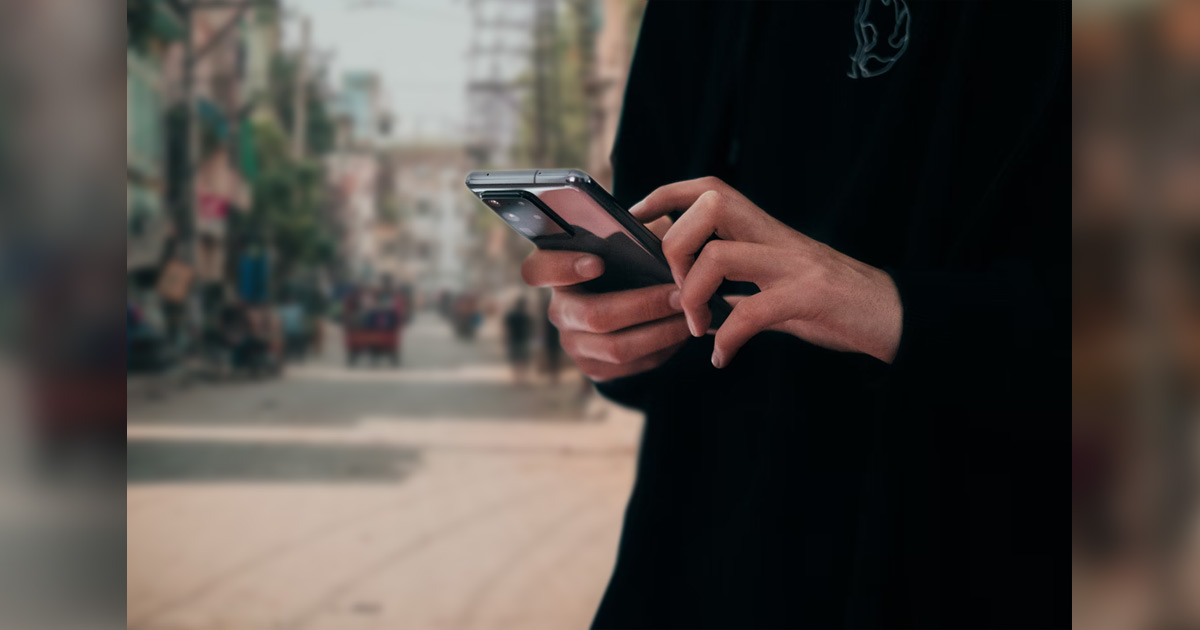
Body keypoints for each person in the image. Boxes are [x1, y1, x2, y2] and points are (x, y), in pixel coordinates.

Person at [521, 3, 1068, 628]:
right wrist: (615, 329)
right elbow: (661, 242)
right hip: (705, 552)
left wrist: (892, 311)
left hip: (976, 554)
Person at [503, 295, 534, 385]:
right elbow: (531, 328)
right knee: (524, 359)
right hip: (524, 339)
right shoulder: (527, 315)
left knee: (515, 359)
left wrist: (505, 338)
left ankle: (517, 379)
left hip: (513, 339)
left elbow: (506, 328)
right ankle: (523, 378)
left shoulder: (511, 315)